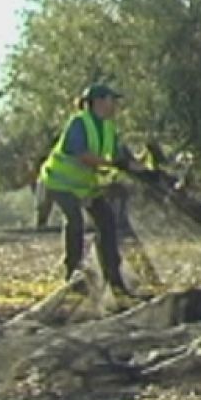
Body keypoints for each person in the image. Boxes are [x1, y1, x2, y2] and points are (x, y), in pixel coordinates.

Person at [37, 83, 137, 295]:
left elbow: (119, 154)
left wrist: (136, 167)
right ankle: (72, 275)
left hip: (85, 186)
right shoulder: (79, 123)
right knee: (75, 221)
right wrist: (112, 164)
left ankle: (113, 277)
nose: (115, 105)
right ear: (99, 102)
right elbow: (82, 155)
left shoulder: (108, 127)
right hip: (58, 182)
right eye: (112, 100)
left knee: (107, 221)